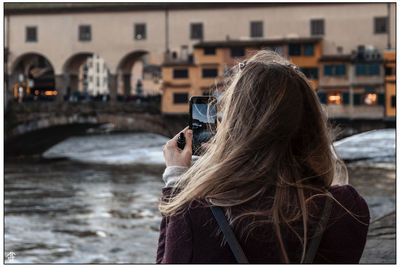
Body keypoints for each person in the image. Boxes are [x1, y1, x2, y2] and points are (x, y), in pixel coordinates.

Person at [156, 50, 370, 264]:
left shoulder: (196, 212)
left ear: (234, 127)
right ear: (312, 125)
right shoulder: (347, 208)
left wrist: (176, 180)